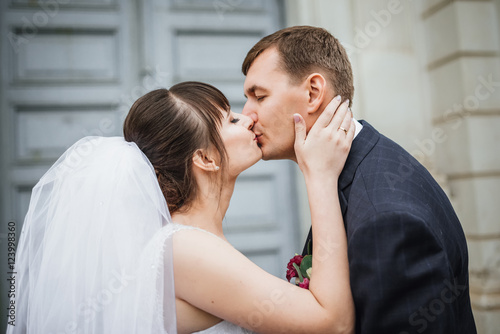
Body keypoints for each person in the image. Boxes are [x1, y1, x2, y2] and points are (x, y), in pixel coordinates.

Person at [8, 81, 356, 334]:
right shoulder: (185, 248)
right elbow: (332, 324)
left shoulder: (187, 242)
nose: (249, 117)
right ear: (204, 158)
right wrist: (321, 177)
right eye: (231, 121)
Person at [241, 25, 477, 333]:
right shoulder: (356, 167)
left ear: (313, 93)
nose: (247, 115)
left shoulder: (388, 219)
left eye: (259, 96)